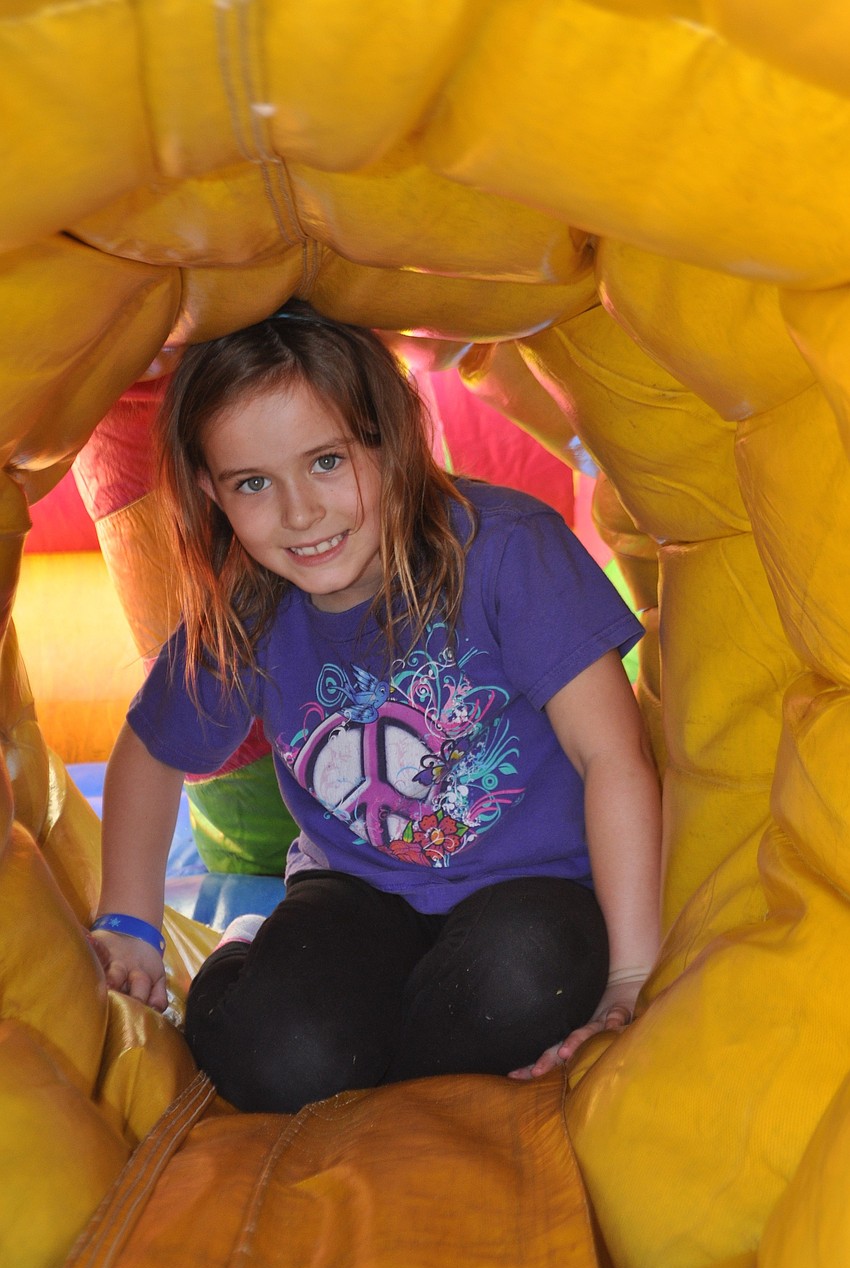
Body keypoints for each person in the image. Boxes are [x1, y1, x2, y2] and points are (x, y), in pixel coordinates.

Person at [90, 301, 661, 1114]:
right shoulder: (248, 607)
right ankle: (252, 961)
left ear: (390, 441)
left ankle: (373, 1056)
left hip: (534, 889)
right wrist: (131, 923)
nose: (300, 512)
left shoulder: (505, 549)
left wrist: (634, 976)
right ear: (213, 491)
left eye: (326, 461)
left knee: (529, 978)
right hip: (357, 892)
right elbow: (151, 749)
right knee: (277, 1058)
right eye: (255, 482)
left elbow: (615, 755)